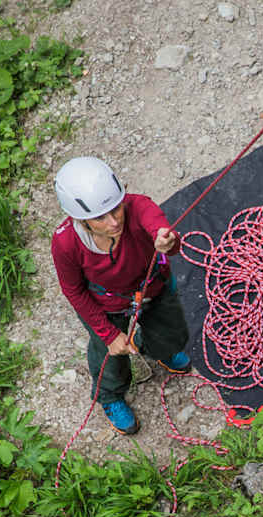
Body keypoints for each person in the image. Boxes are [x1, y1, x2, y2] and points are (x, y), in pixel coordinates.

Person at [50, 156, 192, 435]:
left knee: (170, 331)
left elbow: (162, 232)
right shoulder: (66, 242)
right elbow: (74, 290)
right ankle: (110, 396)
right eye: (100, 217)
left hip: (153, 287)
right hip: (106, 303)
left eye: (116, 209)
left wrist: (167, 239)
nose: (114, 221)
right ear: (80, 219)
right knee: (109, 355)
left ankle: (156, 348)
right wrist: (107, 334)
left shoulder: (138, 207)